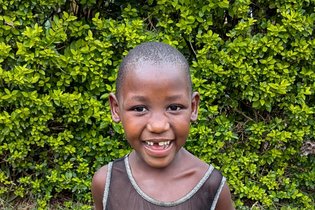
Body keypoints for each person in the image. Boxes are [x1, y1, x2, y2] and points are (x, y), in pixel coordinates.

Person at [91, 42, 235, 210]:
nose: (158, 126)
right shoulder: (107, 183)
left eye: (174, 107)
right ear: (116, 109)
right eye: (139, 109)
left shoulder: (212, 187)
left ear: (193, 107)